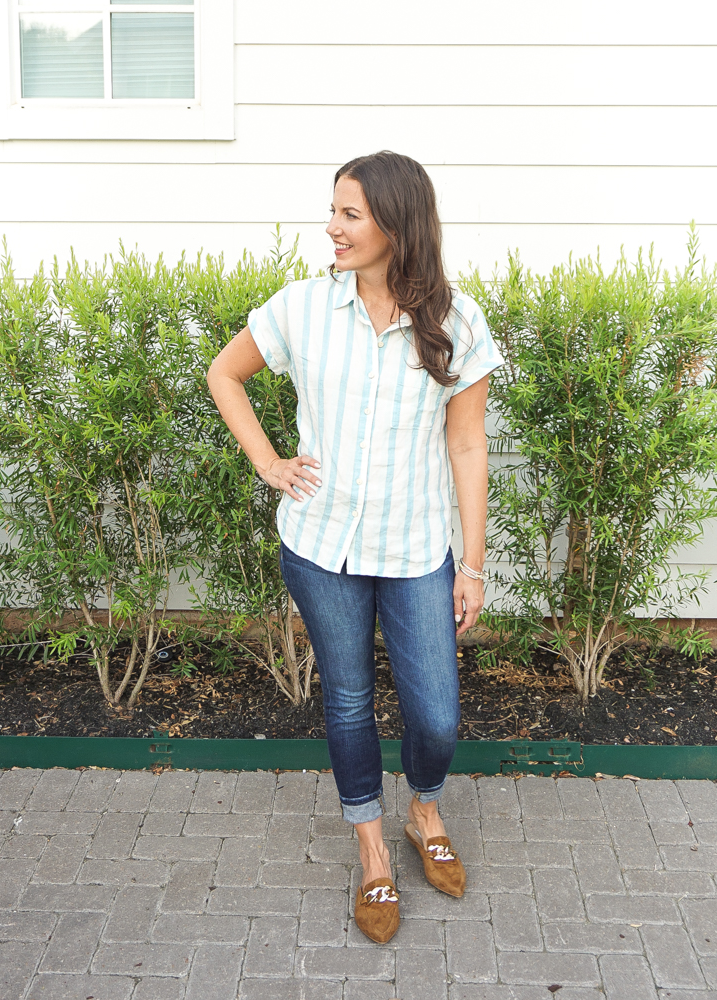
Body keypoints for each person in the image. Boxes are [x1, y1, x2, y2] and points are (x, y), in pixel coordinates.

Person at [207, 150, 502, 943]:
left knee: (435, 716)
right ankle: (372, 846)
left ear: (396, 226)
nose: (331, 227)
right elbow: (224, 374)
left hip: (414, 553)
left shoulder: (457, 323)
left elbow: (468, 448)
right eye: (333, 210)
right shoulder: (303, 307)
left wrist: (471, 563)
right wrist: (269, 462)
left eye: (350, 214)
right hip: (320, 547)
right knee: (345, 700)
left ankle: (424, 809)